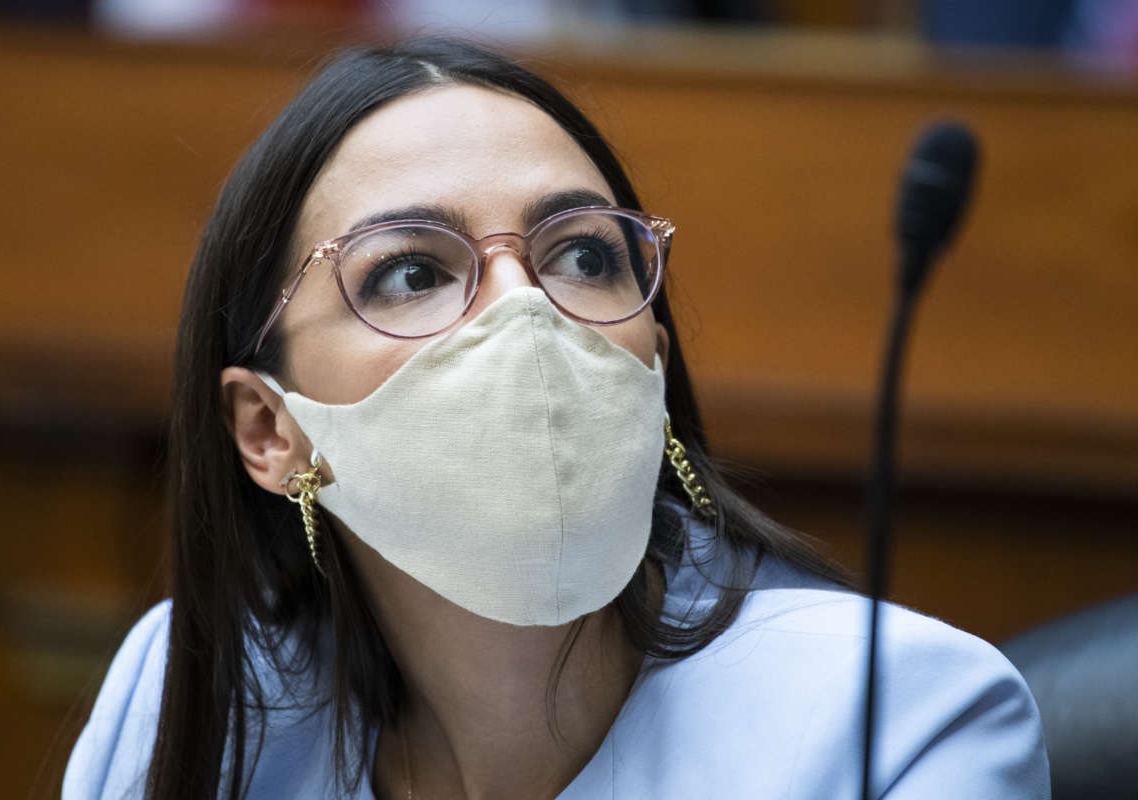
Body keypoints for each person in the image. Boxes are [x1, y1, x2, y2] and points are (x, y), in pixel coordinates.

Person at [62, 38, 1050, 799]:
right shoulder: (193, 694)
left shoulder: (906, 715)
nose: (524, 312)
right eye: (412, 270)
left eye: (582, 256)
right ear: (270, 429)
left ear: (652, 359)